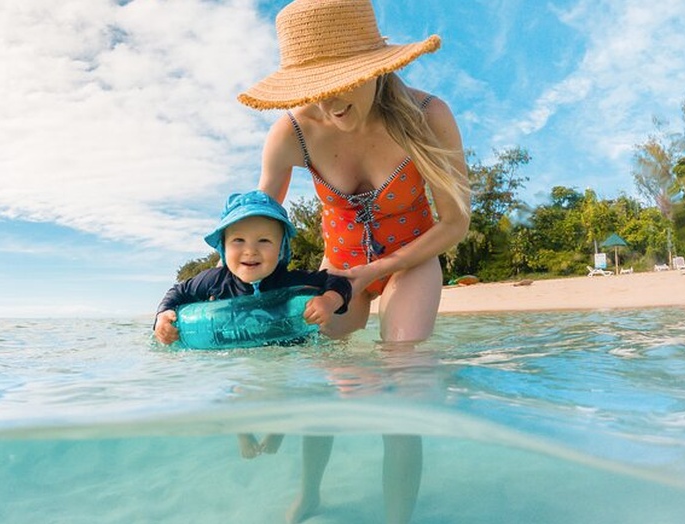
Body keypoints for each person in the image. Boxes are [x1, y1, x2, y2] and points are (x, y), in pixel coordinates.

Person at [237, 0, 471, 522]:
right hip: (337, 269)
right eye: (312, 94)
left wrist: (377, 271)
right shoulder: (292, 133)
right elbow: (258, 234)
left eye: (341, 83)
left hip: (411, 259)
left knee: (403, 376)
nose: (328, 108)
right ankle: (311, 492)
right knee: (324, 378)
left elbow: (455, 223)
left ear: (374, 67)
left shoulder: (426, 116)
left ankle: (396, 517)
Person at [153, 189, 353, 458]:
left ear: (282, 248)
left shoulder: (289, 281)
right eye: (238, 240)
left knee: (288, 390)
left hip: (286, 350)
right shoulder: (214, 280)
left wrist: (329, 301)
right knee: (236, 389)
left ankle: (277, 429)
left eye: (264, 240)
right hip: (238, 355)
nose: (250, 250)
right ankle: (244, 432)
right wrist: (163, 316)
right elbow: (179, 292)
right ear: (223, 247)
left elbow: (337, 281)